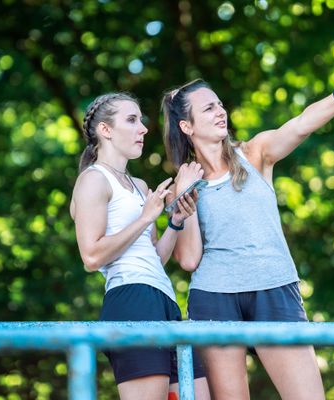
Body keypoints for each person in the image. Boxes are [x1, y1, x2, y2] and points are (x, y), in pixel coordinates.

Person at [161, 68, 334, 399]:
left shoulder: (254, 152)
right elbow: (189, 259)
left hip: (275, 288)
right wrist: (183, 196)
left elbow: (301, 124)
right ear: (186, 126)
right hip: (215, 297)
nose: (220, 111)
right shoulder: (181, 184)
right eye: (208, 108)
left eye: (220, 105)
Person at [70, 92, 210, 400]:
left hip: (164, 300)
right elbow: (91, 256)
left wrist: (174, 220)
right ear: (105, 130)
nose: (144, 128)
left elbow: (155, 258)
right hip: (130, 299)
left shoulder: (140, 186)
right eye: (132, 120)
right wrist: (146, 217)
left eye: (142, 120)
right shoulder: (93, 180)